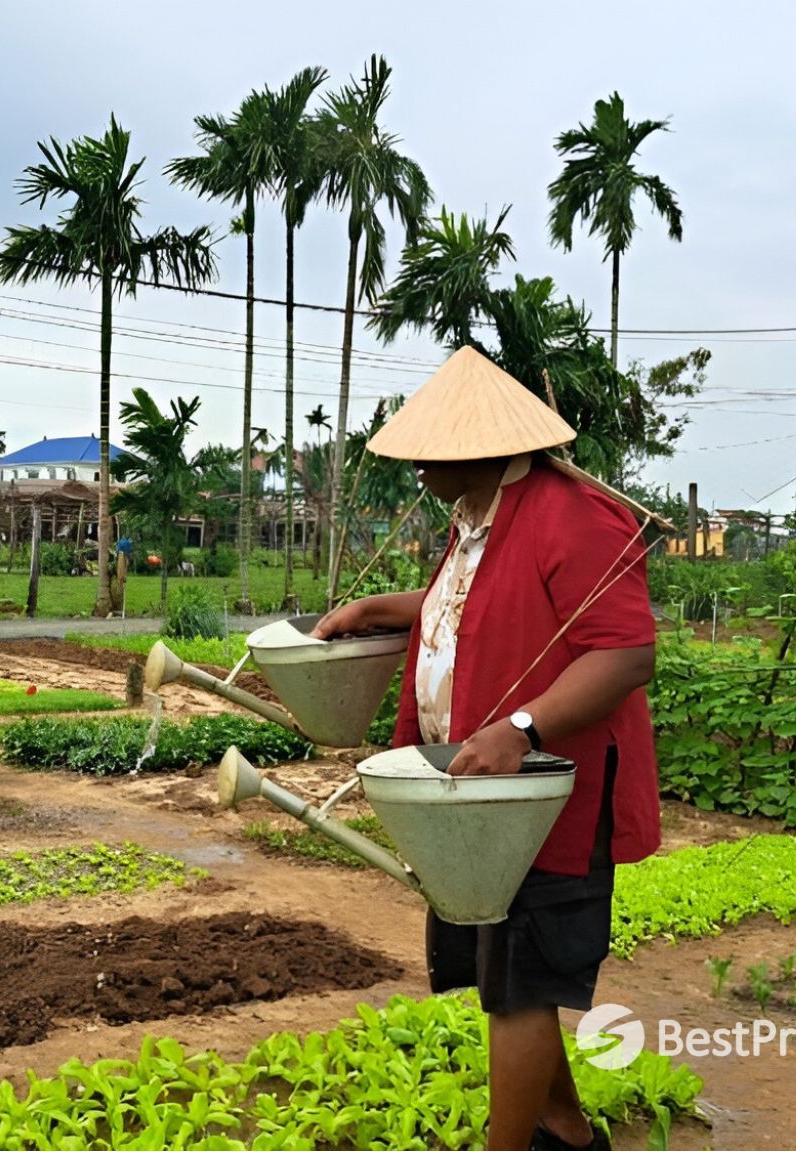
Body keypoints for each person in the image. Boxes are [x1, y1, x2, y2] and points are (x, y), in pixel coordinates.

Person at [312, 347, 659, 1152]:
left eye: (433, 449)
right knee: (503, 972)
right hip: (481, 789)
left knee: (521, 986)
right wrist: (379, 608)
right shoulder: (477, 517)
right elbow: (471, 607)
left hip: (540, 796)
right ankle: (565, 1127)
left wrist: (522, 727)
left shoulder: (572, 516)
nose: (420, 464)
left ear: (483, 446)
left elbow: (624, 653)